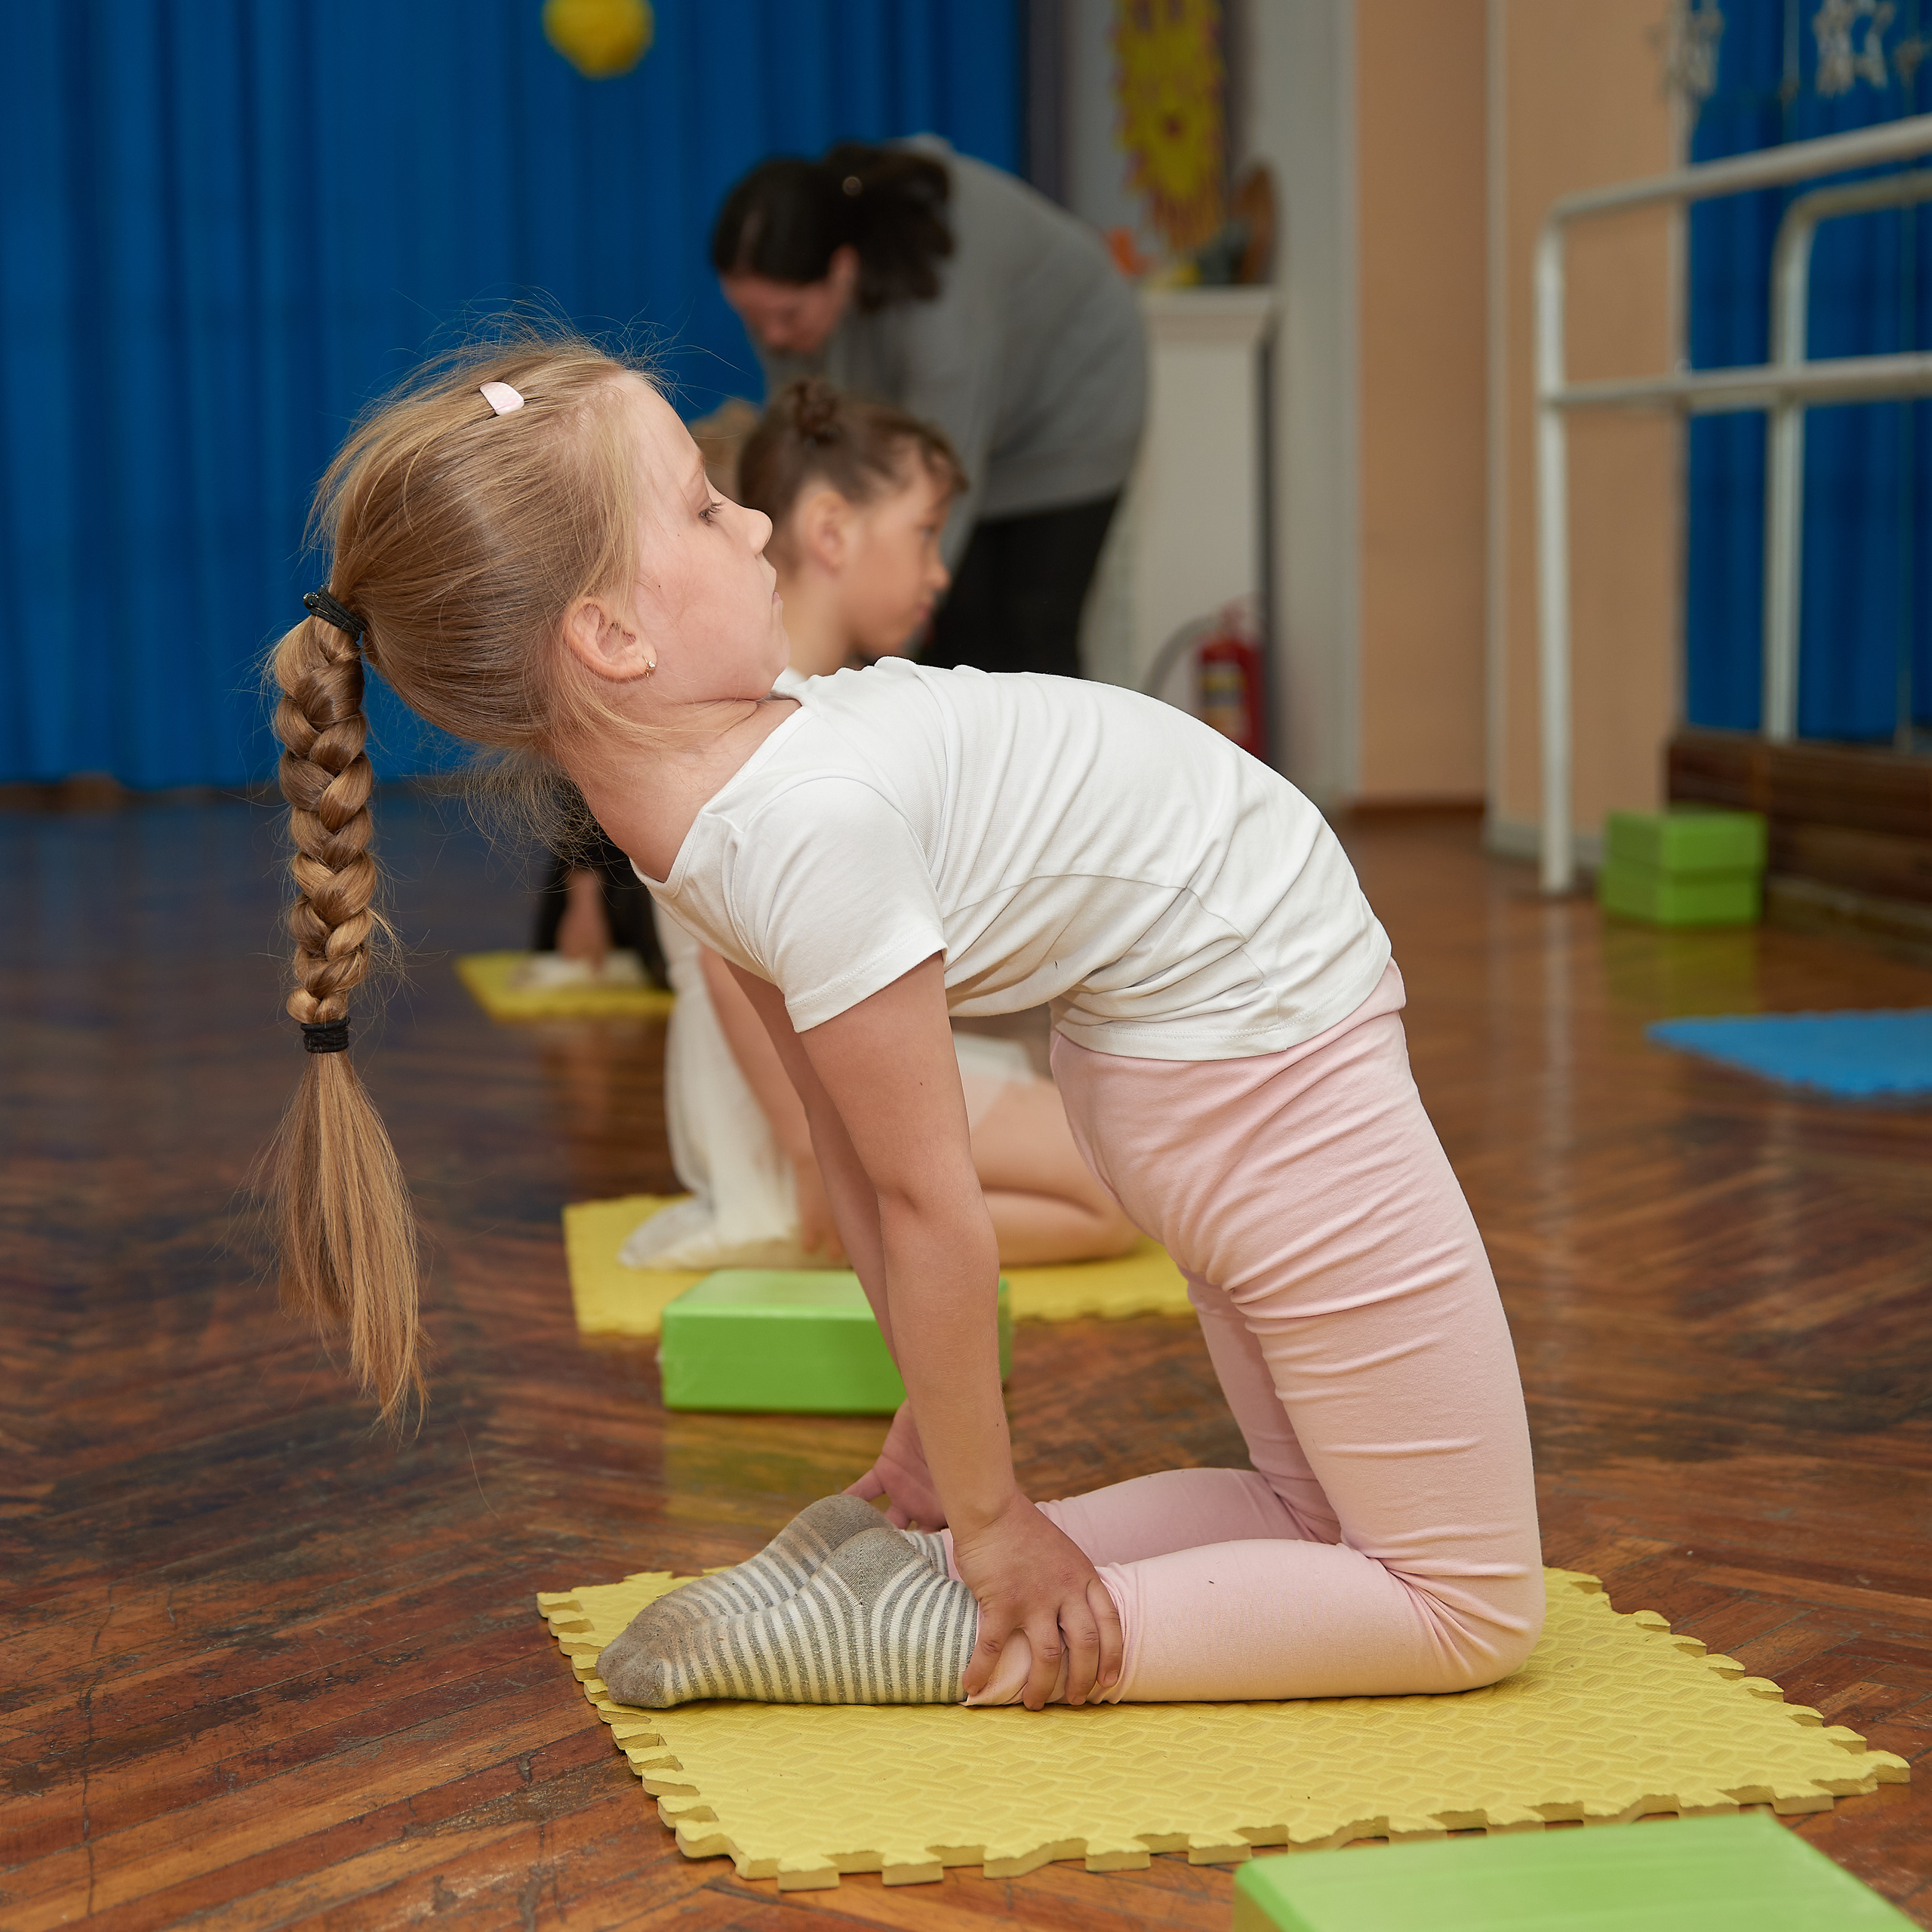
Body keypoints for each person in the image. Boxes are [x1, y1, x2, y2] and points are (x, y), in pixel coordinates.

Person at [266, 337, 1543, 1720]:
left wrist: (948, 1463)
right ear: (611, 638)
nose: (754, 521)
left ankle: (894, 1566)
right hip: (1261, 1047)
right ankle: (960, 1630)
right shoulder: (806, 822)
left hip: (1189, 1050)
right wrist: (997, 1527)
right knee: (1465, 1605)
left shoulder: (698, 815)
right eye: (704, 508)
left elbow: (854, 1158)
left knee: (1315, 1514)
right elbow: (926, 1202)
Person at [628, 377, 1139, 1273]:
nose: (940, 571)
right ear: (831, 533)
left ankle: (898, 1211)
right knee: (1108, 1196)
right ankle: (866, 1225)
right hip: (780, 1103)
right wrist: (811, 1161)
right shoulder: (773, 724)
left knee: (1111, 1148)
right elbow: (726, 958)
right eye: (924, 535)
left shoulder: (814, 703)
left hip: (811, 1071)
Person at [712, 139, 1145, 681]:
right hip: (956, 410)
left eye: (788, 315)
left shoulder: (940, 304)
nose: (771, 336)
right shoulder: (786, 304)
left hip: (1073, 406)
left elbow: (934, 485)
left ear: (843, 268)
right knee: (958, 634)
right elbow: (797, 449)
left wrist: (856, 662)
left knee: (1029, 632)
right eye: (754, 318)